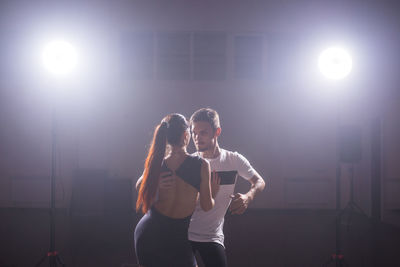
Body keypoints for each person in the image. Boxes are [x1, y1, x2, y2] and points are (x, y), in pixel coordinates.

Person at [157, 108, 266, 267]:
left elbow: (259, 181)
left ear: (217, 132)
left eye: (203, 133)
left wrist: (248, 197)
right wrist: (157, 182)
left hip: (213, 236)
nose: (197, 137)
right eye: (194, 132)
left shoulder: (233, 160)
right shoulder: (189, 162)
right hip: (184, 235)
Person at [134, 113, 216, 267]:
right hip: (177, 237)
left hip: (148, 233)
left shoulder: (158, 163)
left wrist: (155, 182)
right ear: (186, 135)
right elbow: (207, 206)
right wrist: (214, 193)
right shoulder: (202, 165)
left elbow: (139, 186)